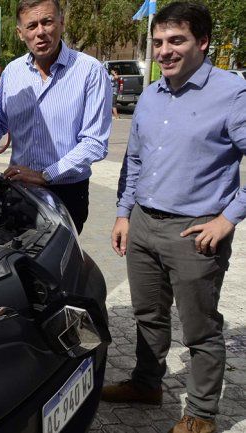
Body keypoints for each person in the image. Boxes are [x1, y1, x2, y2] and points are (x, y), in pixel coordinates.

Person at [103, 3, 246, 433]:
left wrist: (228, 219)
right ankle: (147, 384)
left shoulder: (231, 92)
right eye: (159, 41)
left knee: (200, 330)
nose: (164, 51)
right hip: (144, 223)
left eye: (176, 40)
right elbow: (135, 159)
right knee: (148, 315)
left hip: (196, 232)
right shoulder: (150, 93)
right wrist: (124, 213)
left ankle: (201, 415)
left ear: (202, 42)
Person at [0, 0, 111, 234]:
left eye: (47, 22)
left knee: (55, 264)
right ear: (20, 33)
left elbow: (94, 143)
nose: (40, 32)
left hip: (66, 192)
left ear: (61, 23)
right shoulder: (12, 72)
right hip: (19, 190)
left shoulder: (89, 71)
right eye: (32, 26)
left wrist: (45, 175)